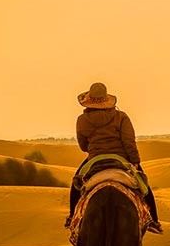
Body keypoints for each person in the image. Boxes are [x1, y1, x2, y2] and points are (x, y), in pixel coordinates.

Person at [65, 82, 163, 234]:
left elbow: (83, 146)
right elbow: (129, 142)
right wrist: (135, 161)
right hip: (121, 158)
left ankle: (72, 217)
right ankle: (154, 221)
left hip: (94, 159)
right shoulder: (121, 116)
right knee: (144, 186)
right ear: (106, 99)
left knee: (75, 185)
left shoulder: (82, 120)